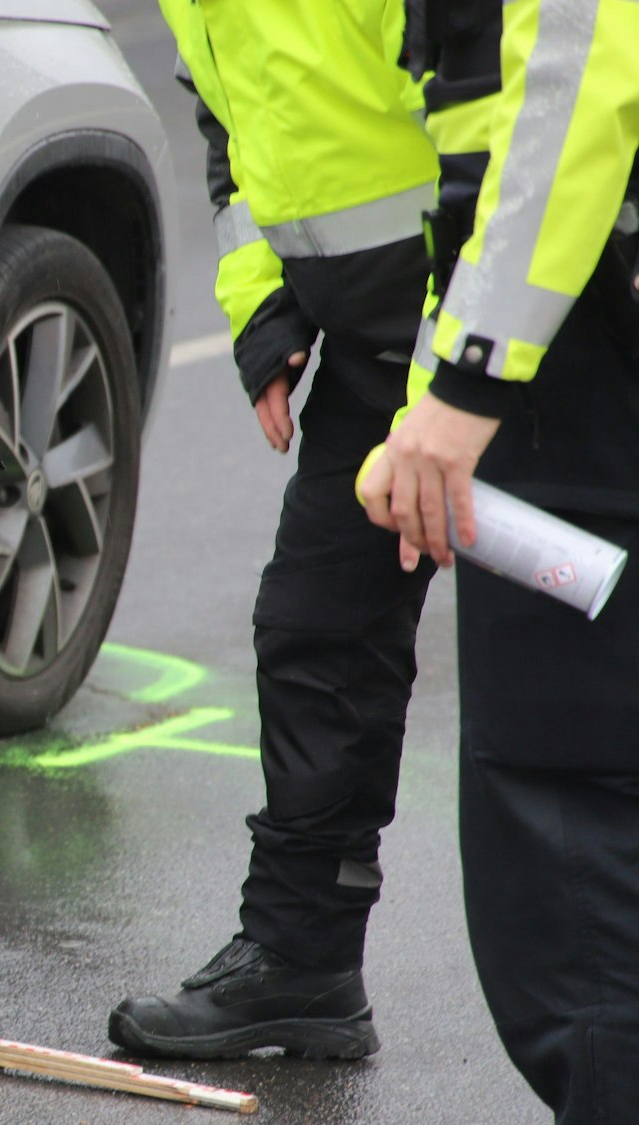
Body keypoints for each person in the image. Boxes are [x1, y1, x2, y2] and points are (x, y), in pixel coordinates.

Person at [107, 0, 442, 1060]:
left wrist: (457, 375)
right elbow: (233, 127)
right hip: (384, 343)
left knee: (583, 674)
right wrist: (266, 308)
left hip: (532, 335)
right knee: (315, 633)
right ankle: (301, 962)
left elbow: (524, 130)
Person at [360, 1, 639, 1118]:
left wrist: (466, 381)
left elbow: (572, 92)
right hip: (566, 320)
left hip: (579, 353)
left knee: (568, 808)